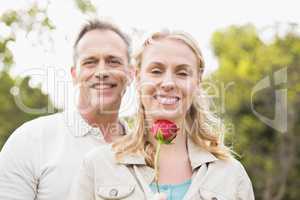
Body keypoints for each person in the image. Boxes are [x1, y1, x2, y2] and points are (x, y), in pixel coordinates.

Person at [68, 30, 255, 200]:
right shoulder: (98, 165)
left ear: (197, 82)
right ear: (138, 77)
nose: (168, 83)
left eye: (182, 73)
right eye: (156, 71)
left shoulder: (230, 174)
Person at [0, 19, 133, 200]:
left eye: (113, 61)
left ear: (131, 73)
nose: (102, 71)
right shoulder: (29, 140)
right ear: (74, 74)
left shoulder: (147, 152)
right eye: (90, 62)